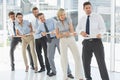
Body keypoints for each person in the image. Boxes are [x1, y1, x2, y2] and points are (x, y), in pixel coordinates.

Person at [76, 1, 109, 80]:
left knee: (101, 62)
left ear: (91, 8)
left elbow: (103, 28)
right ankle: (88, 78)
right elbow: (77, 28)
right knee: (85, 62)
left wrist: (100, 33)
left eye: (89, 7)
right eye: (86, 8)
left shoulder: (98, 16)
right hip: (86, 42)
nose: (88, 9)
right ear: (84, 9)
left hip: (96, 42)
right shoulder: (82, 19)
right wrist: (81, 32)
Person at [36, 13, 74, 78]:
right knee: (49, 57)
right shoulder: (40, 26)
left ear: (44, 16)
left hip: (58, 39)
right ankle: (53, 71)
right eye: (40, 18)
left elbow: (59, 26)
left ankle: (69, 73)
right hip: (50, 41)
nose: (42, 19)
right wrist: (41, 34)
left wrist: (56, 30)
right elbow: (35, 36)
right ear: (38, 19)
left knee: (63, 56)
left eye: (43, 17)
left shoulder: (51, 20)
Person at [55, 8, 84, 80]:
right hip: (62, 41)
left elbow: (72, 31)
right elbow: (57, 36)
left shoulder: (68, 19)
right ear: (58, 16)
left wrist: (64, 33)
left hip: (71, 39)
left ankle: (79, 76)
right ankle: (65, 76)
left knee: (77, 56)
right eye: (61, 15)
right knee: (63, 58)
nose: (63, 16)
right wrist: (65, 34)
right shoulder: (56, 23)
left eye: (64, 14)